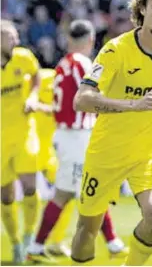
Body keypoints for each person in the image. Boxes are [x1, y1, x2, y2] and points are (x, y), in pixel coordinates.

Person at [70, 0, 152, 266]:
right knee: (87, 230)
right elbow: (82, 99)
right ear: (142, 9)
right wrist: (134, 105)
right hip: (107, 152)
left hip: (149, 152)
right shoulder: (115, 50)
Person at [27, 20, 128, 264]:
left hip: (69, 134)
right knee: (71, 193)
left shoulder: (62, 65)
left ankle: (113, 243)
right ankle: (36, 247)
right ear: (91, 40)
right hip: (76, 137)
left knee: (91, 190)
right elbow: (93, 97)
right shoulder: (83, 64)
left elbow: (62, 104)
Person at [1, 19, 41, 264]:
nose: (16, 40)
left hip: (25, 131)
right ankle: (15, 242)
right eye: (10, 37)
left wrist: (33, 97)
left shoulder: (24, 57)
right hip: (1, 140)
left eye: (16, 36)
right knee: (6, 197)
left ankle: (29, 237)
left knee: (29, 186)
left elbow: (35, 76)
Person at [24, 68, 75, 257]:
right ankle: (27, 239)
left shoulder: (66, 80)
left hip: (50, 150)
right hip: (28, 145)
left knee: (67, 194)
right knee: (24, 195)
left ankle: (55, 241)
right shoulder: (37, 79)